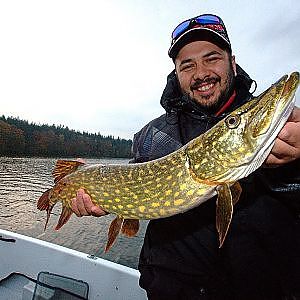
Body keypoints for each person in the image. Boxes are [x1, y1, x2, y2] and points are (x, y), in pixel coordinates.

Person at [71, 14, 300, 300]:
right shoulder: (152, 134)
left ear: (232, 60)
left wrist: (294, 169)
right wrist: (98, 192)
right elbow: (131, 188)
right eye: (187, 65)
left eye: (211, 58)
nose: (201, 73)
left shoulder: (289, 127)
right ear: (176, 74)